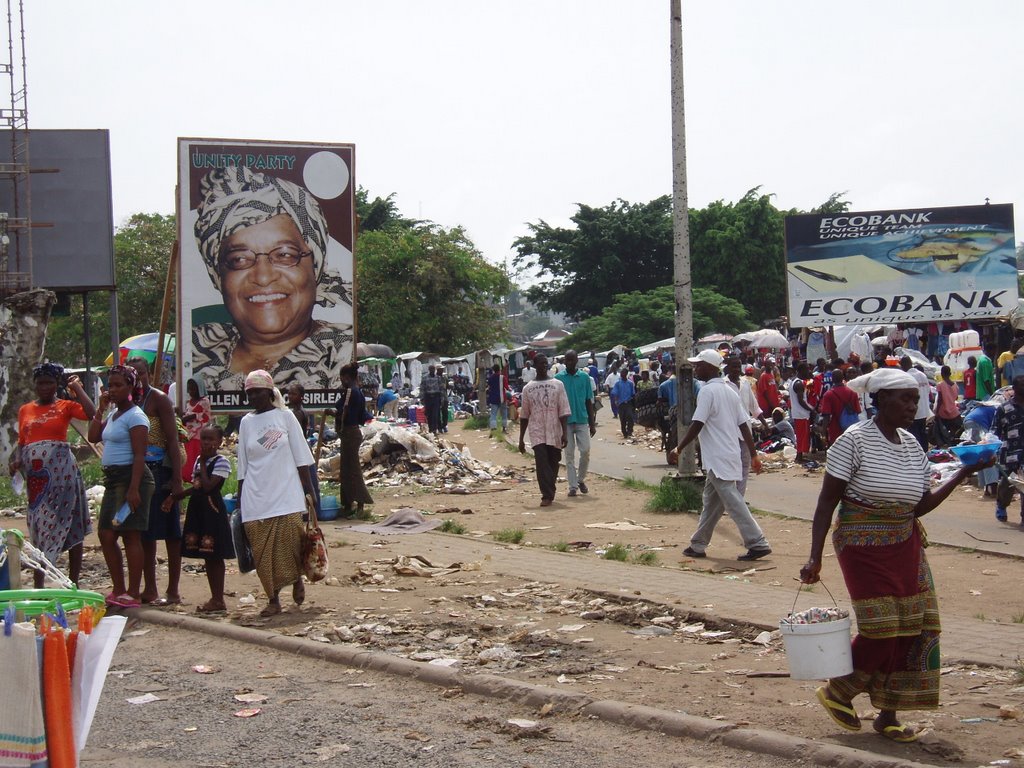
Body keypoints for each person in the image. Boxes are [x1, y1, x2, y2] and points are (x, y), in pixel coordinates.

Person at [800, 367, 991, 742]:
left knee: (914, 628)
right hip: (862, 543)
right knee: (882, 628)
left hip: (905, 541)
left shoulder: (911, 444)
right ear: (880, 400)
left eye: (915, 399)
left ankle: (888, 713)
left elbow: (919, 506)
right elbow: (826, 504)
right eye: (904, 398)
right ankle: (838, 691)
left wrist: (961, 473)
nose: (912, 406)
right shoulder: (852, 442)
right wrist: (814, 556)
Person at [191, 166, 351, 392]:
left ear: (315, 266)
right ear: (218, 275)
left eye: (284, 255)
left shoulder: (341, 354)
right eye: (239, 259)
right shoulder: (200, 347)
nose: (264, 277)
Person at [672, 350, 771, 561]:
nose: (696, 368)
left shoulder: (707, 392)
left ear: (710, 367)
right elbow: (744, 425)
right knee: (712, 502)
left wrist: (679, 448)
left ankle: (757, 542)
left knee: (732, 501)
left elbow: (697, 423)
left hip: (717, 457)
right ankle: (698, 544)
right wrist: (754, 455)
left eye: (699, 365)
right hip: (729, 453)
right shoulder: (730, 391)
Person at [236, 369, 317, 617]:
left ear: (269, 392)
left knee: (292, 545)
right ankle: (273, 599)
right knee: (262, 551)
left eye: (257, 392)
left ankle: (296, 580)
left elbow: (301, 457)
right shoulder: (246, 422)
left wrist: (309, 492)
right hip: (256, 497)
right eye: (249, 393)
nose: (252, 398)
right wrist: (239, 501)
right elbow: (242, 465)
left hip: (287, 494)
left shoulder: (286, 418)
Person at [11, 363, 96, 587]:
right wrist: (18, 461)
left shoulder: (66, 406)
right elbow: (22, 442)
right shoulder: (25, 410)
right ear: (35, 385)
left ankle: (73, 582)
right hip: (38, 482)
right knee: (38, 528)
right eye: (40, 383)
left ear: (57, 384)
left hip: (64, 477)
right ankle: (40, 584)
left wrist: (77, 389)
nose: (45, 387)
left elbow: (92, 413)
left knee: (71, 523)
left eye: (49, 383)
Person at [88, 365, 154, 609]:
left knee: (130, 534)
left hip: (131, 478)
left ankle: (133, 593)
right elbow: (94, 437)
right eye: (110, 385)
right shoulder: (114, 415)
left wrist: (134, 489)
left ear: (130, 387)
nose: (112, 389)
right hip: (113, 480)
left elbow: (140, 455)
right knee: (106, 534)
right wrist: (100, 409)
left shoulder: (136, 416)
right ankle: (118, 588)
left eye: (118, 385)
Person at [125, 357, 185, 607]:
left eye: (141, 372)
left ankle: (173, 590)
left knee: (171, 533)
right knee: (145, 534)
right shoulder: (128, 403)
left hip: (160, 471)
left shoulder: (159, 399)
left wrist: (177, 479)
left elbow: (173, 440)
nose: (138, 377)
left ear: (148, 373)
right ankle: (149, 588)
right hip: (137, 473)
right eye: (133, 374)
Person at [178, 424, 234, 613]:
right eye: (204, 439)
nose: (206, 443)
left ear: (219, 442)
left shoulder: (221, 462)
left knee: (214, 555)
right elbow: (197, 486)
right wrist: (176, 496)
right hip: (198, 510)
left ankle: (218, 599)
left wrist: (202, 462)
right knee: (206, 556)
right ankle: (215, 598)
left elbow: (209, 486)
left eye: (211, 439)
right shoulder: (198, 461)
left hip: (212, 510)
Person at [518, 354, 571, 507]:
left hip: (554, 430)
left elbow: (564, 411)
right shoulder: (528, 388)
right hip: (537, 431)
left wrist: (565, 433)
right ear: (535, 366)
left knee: (554, 461)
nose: (543, 366)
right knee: (541, 462)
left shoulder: (558, 385)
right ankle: (546, 495)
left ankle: (550, 488)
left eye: (545, 364)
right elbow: (524, 415)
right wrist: (521, 439)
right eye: (540, 364)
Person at [555, 350, 597, 498]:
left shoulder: (585, 377)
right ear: (564, 361)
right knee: (569, 455)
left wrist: (592, 423)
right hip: (565, 421)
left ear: (577, 360)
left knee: (585, 451)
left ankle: (580, 480)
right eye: (568, 360)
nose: (570, 363)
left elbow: (588, 400)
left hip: (582, 419)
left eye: (573, 360)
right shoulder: (558, 379)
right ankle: (572, 486)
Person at [334, 362, 374, 516]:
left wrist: (333, 414)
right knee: (345, 470)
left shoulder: (353, 392)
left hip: (351, 433)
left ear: (346, 377)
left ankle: (360, 503)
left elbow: (346, 413)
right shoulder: (350, 392)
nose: (341, 380)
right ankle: (347, 503)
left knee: (352, 470)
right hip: (349, 434)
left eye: (342, 377)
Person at [993, 375, 1024, 527]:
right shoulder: (1004, 409)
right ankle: (1001, 504)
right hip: (1009, 453)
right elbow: (994, 432)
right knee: (1008, 484)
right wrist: (991, 448)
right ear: (1015, 389)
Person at [818, 368, 861, 447]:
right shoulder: (853, 392)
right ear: (842, 378)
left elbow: (826, 416)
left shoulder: (828, 395)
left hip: (835, 430)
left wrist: (823, 434)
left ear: (832, 379)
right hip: (851, 430)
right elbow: (858, 411)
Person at [181, 377, 212, 482]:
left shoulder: (204, 401)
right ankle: (187, 476)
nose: (191, 391)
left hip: (199, 434)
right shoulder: (189, 402)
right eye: (189, 389)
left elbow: (199, 415)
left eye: (193, 389)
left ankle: (196, 476)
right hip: (189, 433)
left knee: (196, 454)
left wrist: (187, 417)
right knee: (188, 455)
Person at [898, 357, 931, 451]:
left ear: (903, 365)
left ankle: (918, 453)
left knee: (914, 434)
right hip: (924, 410)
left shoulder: (907, 376)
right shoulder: (922, 375)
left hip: (914, 411)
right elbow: (928, 391)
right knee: (922, 432)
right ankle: (924, 452)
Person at [788, 362, 813, 462]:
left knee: (801, 435)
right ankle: (799, 457)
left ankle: (800, 456)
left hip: (798, 413)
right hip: (801, 414)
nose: (809, 372)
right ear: (801, 371)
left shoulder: (795, 381)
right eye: (807, 369)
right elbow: (801, 401)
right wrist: (812, 410)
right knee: (802, 436)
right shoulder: (799, 384)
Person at [934, 365, 962, 447]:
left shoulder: (940, 385)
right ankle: (951, 440)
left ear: (942, 374)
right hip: (953, 412)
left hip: (943, 412)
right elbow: (956, 397)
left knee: (938, 429)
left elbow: (940, 399)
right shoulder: (955, 386)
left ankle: (943, 443)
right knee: (954, 427)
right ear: (950, 374)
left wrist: (936, 412)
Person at [611, 367, 636, 438]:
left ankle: (630, 431)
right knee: (623, 419)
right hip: (621, 403)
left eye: (623, 373)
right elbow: (615, 393)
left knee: (630, 417)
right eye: (621, 373)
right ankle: (624, 432)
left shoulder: (630, 383)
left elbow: (633, 393)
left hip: (628, 402)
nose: (622, 374)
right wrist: (616, 401)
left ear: (626, 374)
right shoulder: (618, 383)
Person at [421, 365, 444, 434]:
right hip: (428, 397)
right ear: (429, 369)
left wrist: (442, 399)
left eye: (433, 369)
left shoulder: (438, 378)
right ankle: (430, 428)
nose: (432, 370)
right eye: (431, 369)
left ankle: (434, 430)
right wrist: (422, 398)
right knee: (429, 414)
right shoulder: (425, 377)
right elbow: (422, 388)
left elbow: (441, 389)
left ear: (435, 370)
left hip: (436, 397)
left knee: (435, 414)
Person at [486, 363, 508, 432]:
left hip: (493, 398)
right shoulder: (503, 377)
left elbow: (489, 387)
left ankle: (493, 428)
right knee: (504, 413)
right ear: (499, 369)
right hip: (502, 398)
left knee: (493, 413)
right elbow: (506, 387)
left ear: (493, 370)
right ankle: (504, 428)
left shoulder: (490, 378)